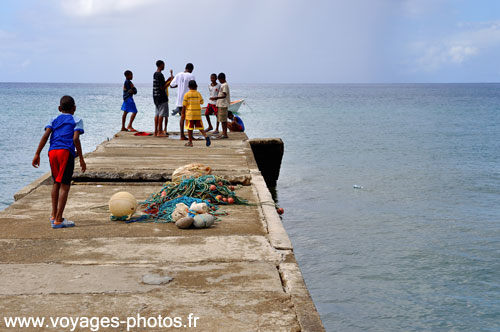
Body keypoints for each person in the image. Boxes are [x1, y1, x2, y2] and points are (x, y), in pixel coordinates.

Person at [32, 95, 86, 228]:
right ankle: (58, 220)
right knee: (65, 185)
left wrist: (37, 153)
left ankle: (53, 214)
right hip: (65, 152)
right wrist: (81, 158)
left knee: (56, 182)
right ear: (74, 108)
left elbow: (45, 135)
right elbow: (75, 139)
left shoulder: (53, 119)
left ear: (59, 108)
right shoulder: (77, 120)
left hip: (52, 152)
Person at [170, 63, 195, 140]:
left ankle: (182, 135)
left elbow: (171, 85)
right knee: (190, 118)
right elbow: (193, 86)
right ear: (191, 69)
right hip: (188, 99)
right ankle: (190, 135)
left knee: (182, 117)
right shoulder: (191, 76)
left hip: (180, 100)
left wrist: (179, 85)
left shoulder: (178, 74)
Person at [182, 80, 211, 147]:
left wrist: (183, 113)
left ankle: (190, 142)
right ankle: (206, 136)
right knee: (200, 127)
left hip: (190, 114)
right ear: (196, 86)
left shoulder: (187, 94)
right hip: (197, 114)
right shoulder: (198, 94)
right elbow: (202, 102)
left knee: (190, 128)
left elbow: (184, 105)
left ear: (188, 86)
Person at [153, 60, 173, 137]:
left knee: (157, 114)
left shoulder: (155, 74)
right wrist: (169, 82)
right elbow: (162, 87)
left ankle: (155, 132)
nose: (164, 66)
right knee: (161, 114)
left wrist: (167, 80)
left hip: (155, 96)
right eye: (163, 65)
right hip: (162, 97)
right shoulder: (160, 75)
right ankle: (160, 132)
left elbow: (160, 84)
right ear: (161, 65)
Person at [210, 72, 230, 138]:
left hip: (223, 104)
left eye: (219, 80)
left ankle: (225, 134)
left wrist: (216, 98)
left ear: (221, 79)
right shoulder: (223, 85)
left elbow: (224, 95)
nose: (219, 81)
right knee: (222, 120)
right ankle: (224, 133)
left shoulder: (225, 85)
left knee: (224, 120)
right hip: (221, 104)